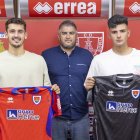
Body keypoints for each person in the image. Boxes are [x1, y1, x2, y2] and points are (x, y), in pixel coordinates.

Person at [42, 20, 93, 140]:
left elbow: (94, 83)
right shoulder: (46, 55)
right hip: (56, 117)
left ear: (77, 35)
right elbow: (41, 83)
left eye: (71, 33)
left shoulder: (87, 56)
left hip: (81, 117)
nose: (68, 36)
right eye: (64, 33)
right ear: (58, 36)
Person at [0, 17, 59, 93]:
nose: (16, 35)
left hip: (35, 105)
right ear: (6, 34)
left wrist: (53, 90)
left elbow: (47, 92)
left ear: (25, 35)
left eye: (20, 31)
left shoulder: (39, 60)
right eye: (12, 31)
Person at [84, 14, 140, 91]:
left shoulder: (138, 57)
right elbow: (89, 87)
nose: (119, 35)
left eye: (122, 31)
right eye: (114, 32)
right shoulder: (99, 60)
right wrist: (88, 86)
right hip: (108, 103)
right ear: (109, 35)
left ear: (128, 33)